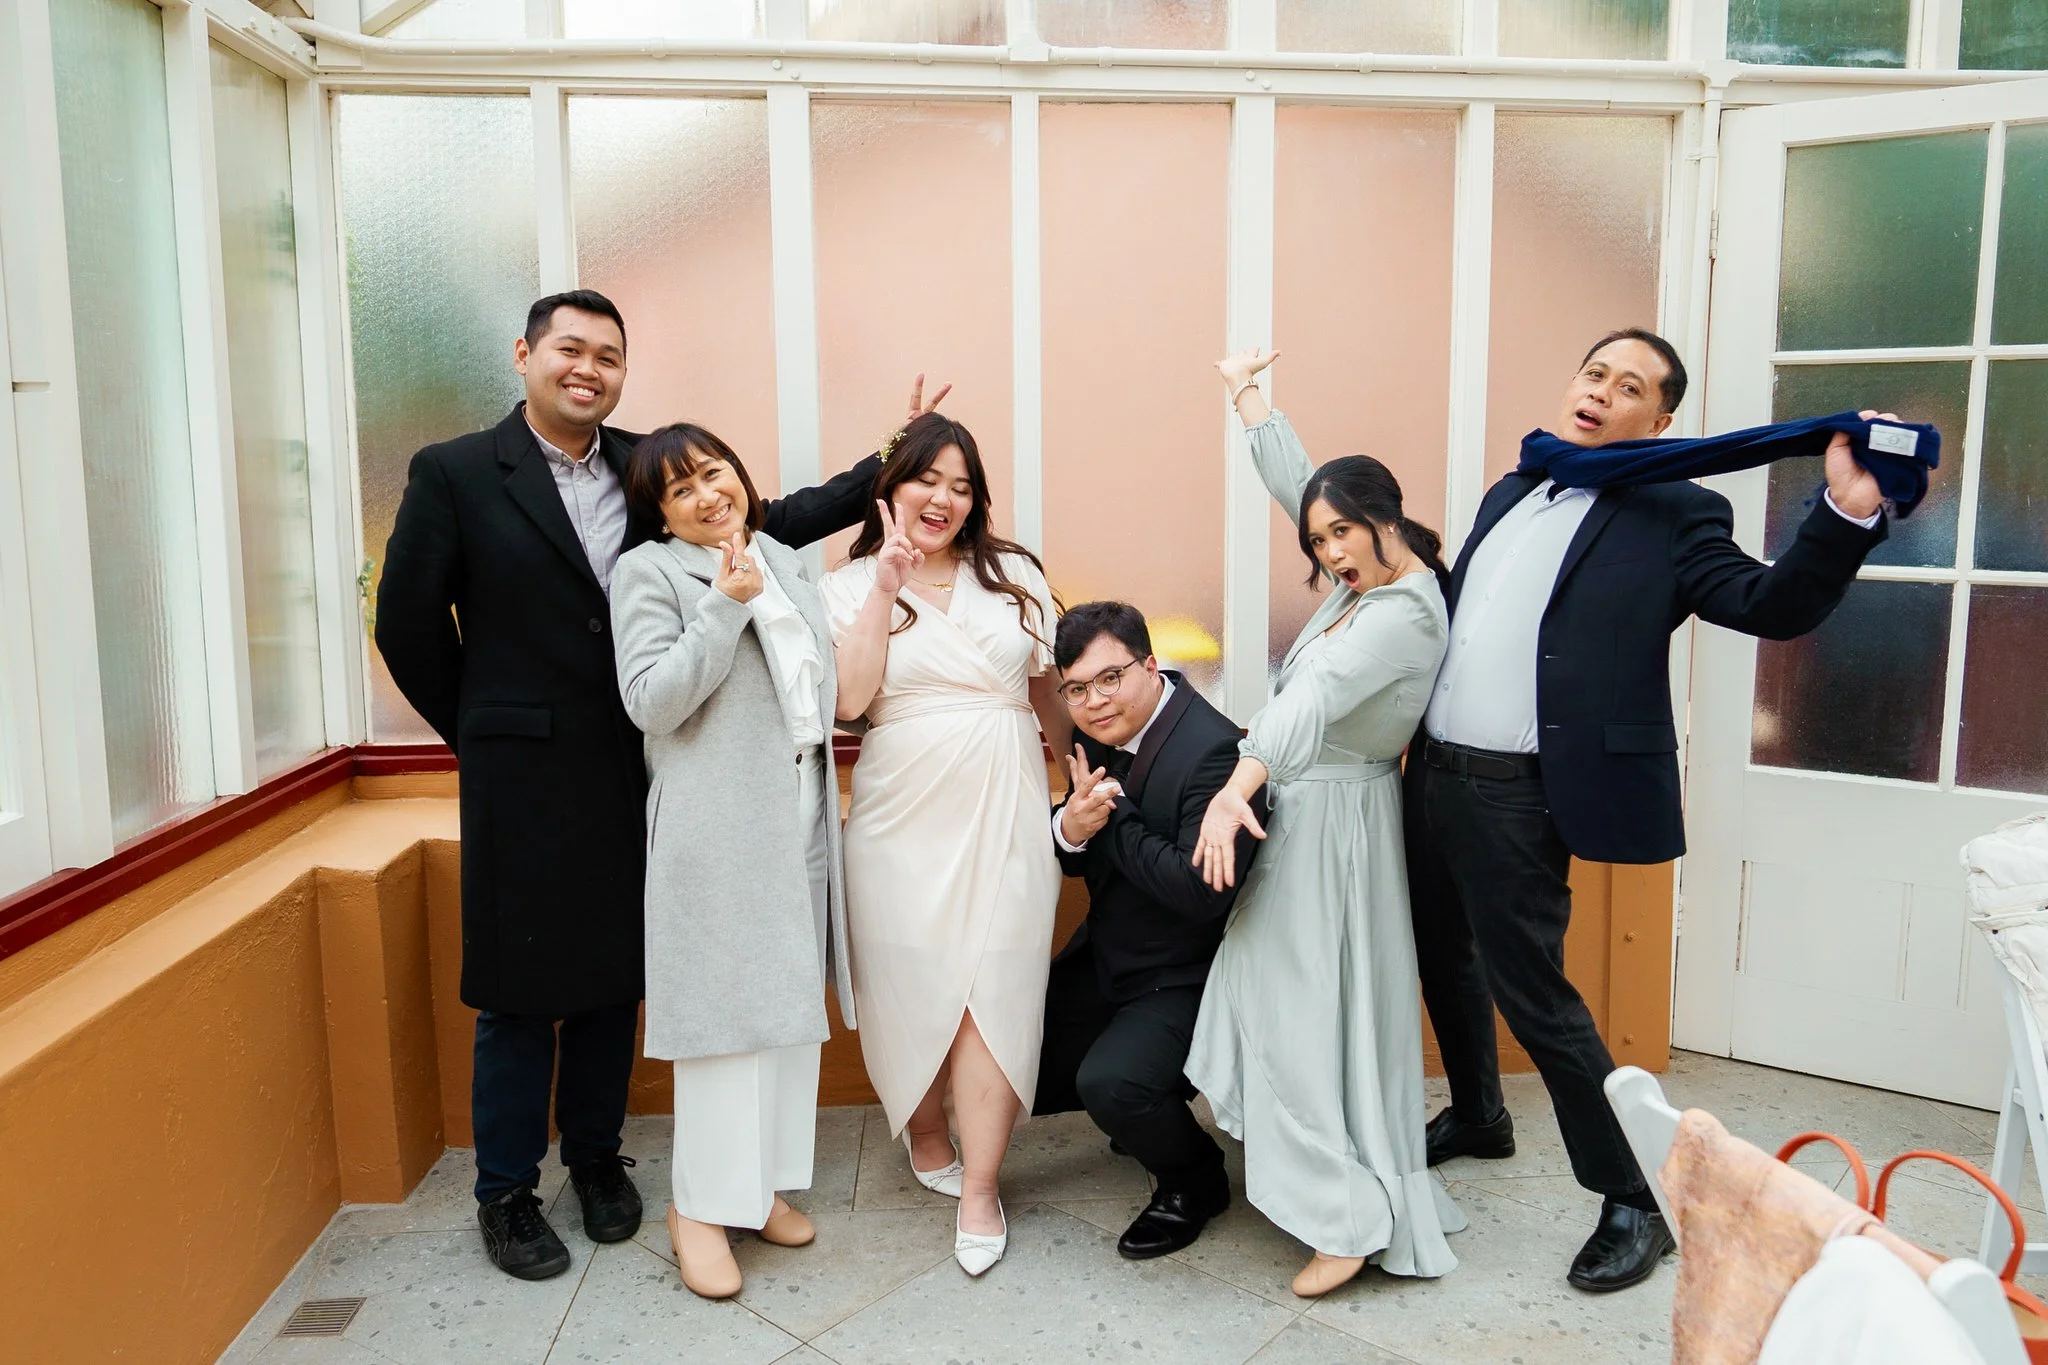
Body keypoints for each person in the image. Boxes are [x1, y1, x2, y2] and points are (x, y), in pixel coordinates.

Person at [376, 287, 945, 1280]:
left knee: (615, 978)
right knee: (517, 987)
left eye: (607, 354)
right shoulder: (457, 471)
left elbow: (779, 516)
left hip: (644, 763)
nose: (586, 368)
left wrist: (893, 454)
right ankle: (506, 1192)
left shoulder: (650, 467)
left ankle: (597, 1161)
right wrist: (486, 734)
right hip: (532, 768)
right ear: (524, 354)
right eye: (568, 349)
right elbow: (408, 627)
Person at [1405, 327, 1902, 1294]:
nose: (1600, 392)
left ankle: (1635, 1193)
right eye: (1593, 371)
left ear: (1661, 421)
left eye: (1629, 386)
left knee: (1534, 996)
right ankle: (1478, 1113)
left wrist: (1843, 515)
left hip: (1523, 791)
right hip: (1433, 771)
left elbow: (1770, 605)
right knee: (1441, 952)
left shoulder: (1678, 510)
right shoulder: (1514, 487)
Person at [1184, 347, 1466, 1300]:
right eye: (1320, 540)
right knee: (1278, 999)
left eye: (1346, 532)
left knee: (1304, 1013)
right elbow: (1299, 484)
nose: (1332, 553)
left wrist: (1237, 783)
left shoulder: (1404, 615)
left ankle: (1344, 1215)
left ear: (1387, 516)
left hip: (1337, 821)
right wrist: (1249, 398)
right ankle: (1329, 1175)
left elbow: (1313, 703)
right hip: (1313, 816)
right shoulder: (1367, 577)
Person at [610, 424, 854, 1299]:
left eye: (713, 473)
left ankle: (757, 1192)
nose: (707, 495)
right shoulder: (649, 573)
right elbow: (651, 702)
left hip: (800, 804)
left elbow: (819, 692)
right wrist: (722, 603)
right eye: (681, 491)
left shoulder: (788, 560)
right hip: (716, 825)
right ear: (661, 513)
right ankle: (699, 1208)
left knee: (788, 1013)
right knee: (723, 1022)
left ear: (739, 476)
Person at [819, 412, 1066, 1277]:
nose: (945, 499)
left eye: (964, 486)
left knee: (992, 984)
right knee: (911, 979)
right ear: (891, 486)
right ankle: (925, 1129)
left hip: (1004, 801)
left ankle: (983, 1186)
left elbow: (1047, 688)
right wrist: (887, 585)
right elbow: (849, 701)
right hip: (898, 812)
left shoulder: (1017, 575)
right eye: (930, 479)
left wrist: (1067, 780)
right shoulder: (846, 585)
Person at [1033, 601, 1264, 1261]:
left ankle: (1196, 1179)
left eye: (1111, 678)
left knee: (1111, 1083)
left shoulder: (1215, 748)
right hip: (1113, 953)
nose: (1095, 701)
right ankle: (1150, 1103)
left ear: (1150, 663)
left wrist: (1117, 814)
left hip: (1186, 972)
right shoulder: (1103, 736)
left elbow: (1200, 891)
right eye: (1077, 688)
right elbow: (1083, 843)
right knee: (1022, 1056)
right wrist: (1070, 829)